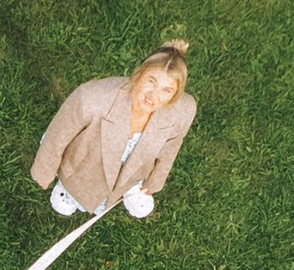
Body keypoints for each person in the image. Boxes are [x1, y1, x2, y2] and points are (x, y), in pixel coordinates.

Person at [30, 47, 195, 224]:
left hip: (134, 167)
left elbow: (171, 148)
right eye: (151, 81)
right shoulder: (92, 98)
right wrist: (44, 172)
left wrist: (154, 181)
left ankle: (130, 186)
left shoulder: (184, 110)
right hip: (85, 161)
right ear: (138, 74)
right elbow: (58, 134)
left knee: (133, 172)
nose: (153, 96)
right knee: (75, 191)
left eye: (166, 90)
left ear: (175, 94)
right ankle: (68, 190)